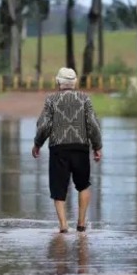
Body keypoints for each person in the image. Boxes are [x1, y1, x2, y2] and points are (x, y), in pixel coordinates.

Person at [32, 67, 102, 233]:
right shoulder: (85, 99)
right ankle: (81, 224)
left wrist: (37, 143)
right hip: (81, 147)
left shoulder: (51, 100)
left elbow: (44, 126)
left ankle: (63, 226)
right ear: (75, 82)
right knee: (83, 185)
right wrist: (97, 146)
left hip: (58, 148)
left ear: (58, 82)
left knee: (58, 188)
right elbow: (92, 124)